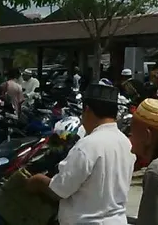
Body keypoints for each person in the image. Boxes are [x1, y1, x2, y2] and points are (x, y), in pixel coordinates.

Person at [27, 83, 134, 225]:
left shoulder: (88, 145)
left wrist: (38, 181)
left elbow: (60, 190)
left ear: (87, 110)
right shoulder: (125, 142)